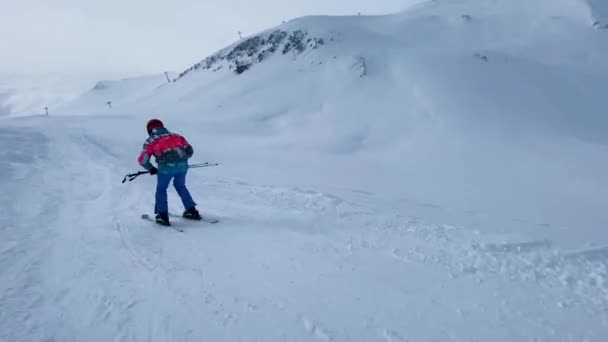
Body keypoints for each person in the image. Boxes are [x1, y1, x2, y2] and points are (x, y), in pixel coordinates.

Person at [137, 118, 202, 226]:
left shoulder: (151, 140)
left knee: (161, 189)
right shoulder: (176, 136)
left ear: (149, 129)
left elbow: (142, 160)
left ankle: (162, 215)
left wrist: (151, 168)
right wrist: (181, 160)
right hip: (183, 167)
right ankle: (192, 210)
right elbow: (189, 151)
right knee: (181, 186)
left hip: (165, 169)